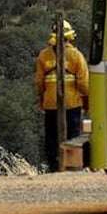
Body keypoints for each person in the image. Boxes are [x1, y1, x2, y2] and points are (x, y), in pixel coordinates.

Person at [34, 20, 90, 171]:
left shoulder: (44, 56)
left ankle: (54, 167)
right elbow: (84, 84)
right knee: (73, 136)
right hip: (72, 104)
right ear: (70, 37)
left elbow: (39, 83)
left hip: (51, 103)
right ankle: (72, 167)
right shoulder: (76, 56)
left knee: (51, 138)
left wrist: (41, 100)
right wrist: (88, 100)